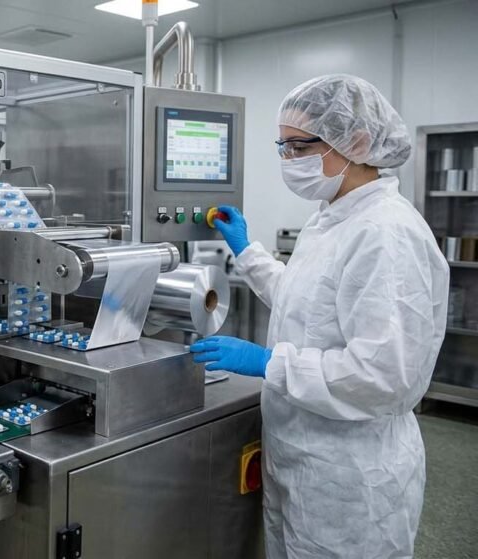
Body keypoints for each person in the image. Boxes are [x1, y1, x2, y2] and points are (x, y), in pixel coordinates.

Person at [190, 75, 449, 558]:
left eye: (300, 146)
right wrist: (247, 252)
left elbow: (384, 375)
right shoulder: (332, 218)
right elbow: (305, 300)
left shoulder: (386, 234)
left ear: (358, 142)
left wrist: (270, 363)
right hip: (301, 456)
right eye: (283, 147)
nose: (290, 160)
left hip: (351, 477)